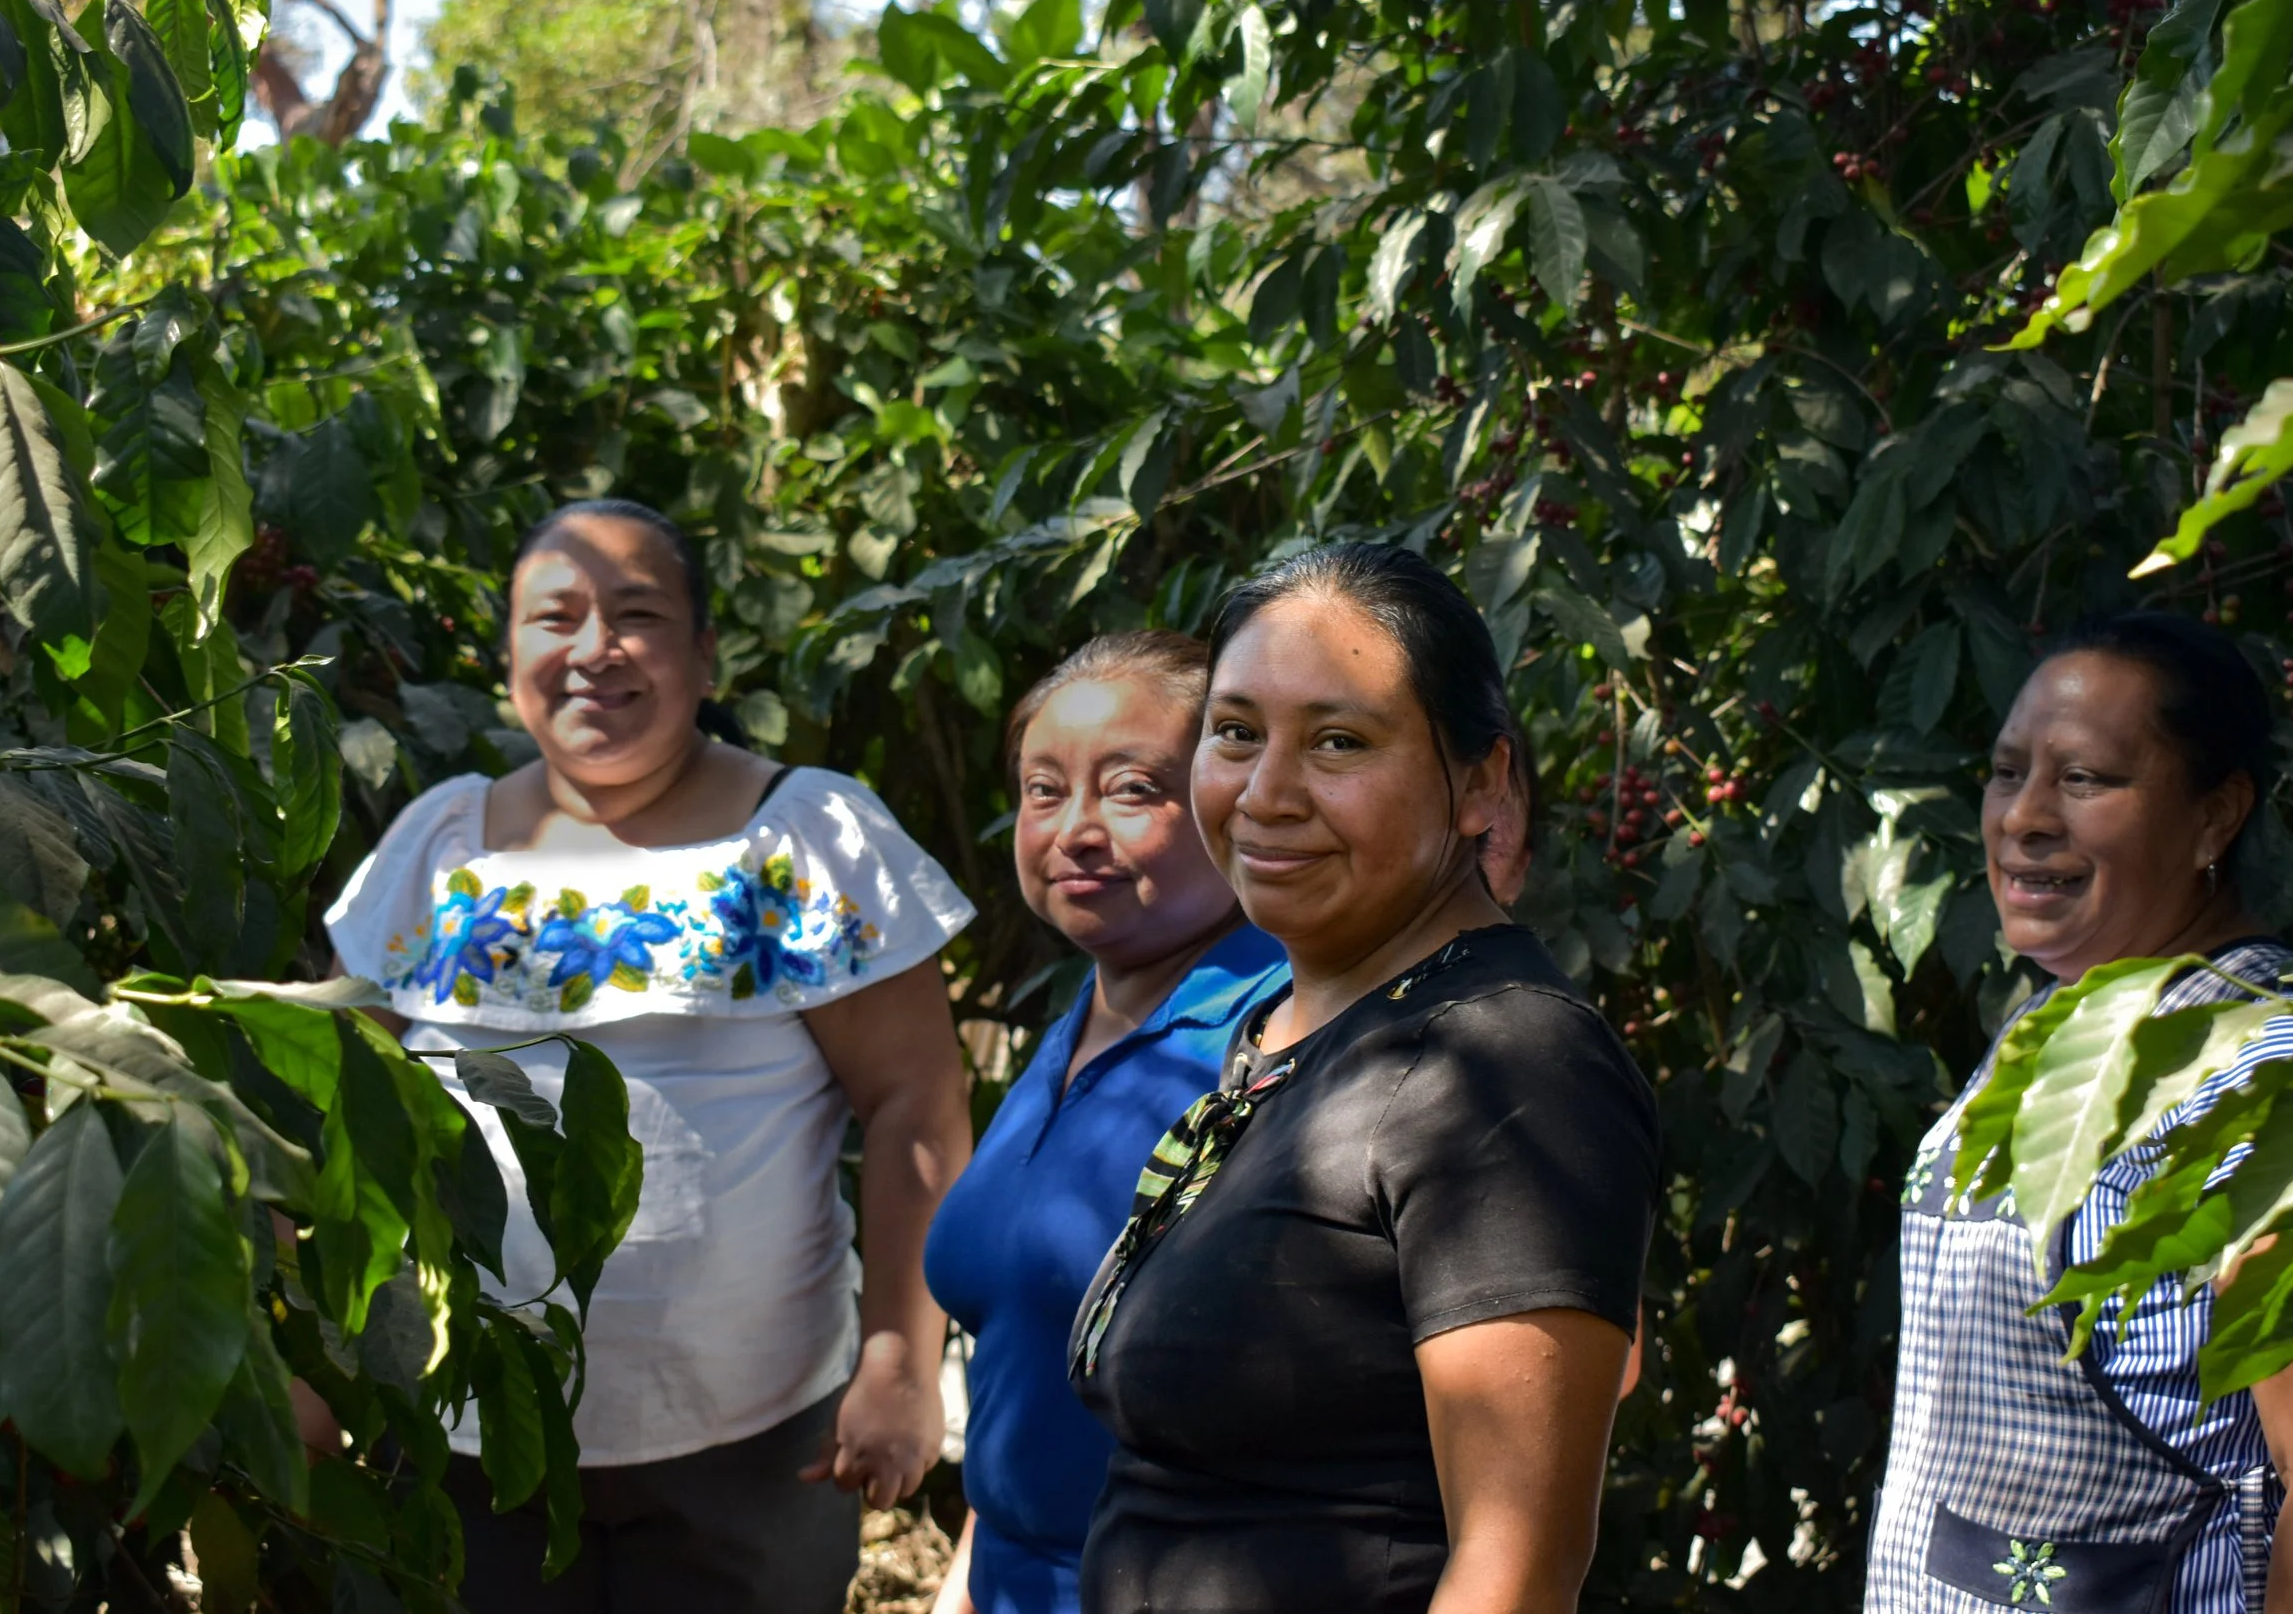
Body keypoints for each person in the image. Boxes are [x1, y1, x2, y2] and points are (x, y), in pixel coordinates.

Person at [323, 498, 976, 1613]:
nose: (593, 650)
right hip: (463, 1429)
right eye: (556, 616)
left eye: (637, 615)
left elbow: (915, 1099)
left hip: (752, 1443)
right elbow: (341, 1107)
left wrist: (900, 1361)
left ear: (705, 651)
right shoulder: (440, 841)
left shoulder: (801, 835)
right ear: (509, 654)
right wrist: (315, 1363)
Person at [1065, 542, 1662, 1614]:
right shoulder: (1290, 1022)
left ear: (1484, 781)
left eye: (1338, 741)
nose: (1265, 792)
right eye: (1236, 733)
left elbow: (1513, 1570)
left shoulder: (1506, 1066)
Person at [1867, 612, 2293, 1614]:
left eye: (2084, 780)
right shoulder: (2071, 1029)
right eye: (2006, 771)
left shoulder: (2276, 1079)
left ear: (2216, 816)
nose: (2023, 816)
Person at [923, 632, 1289, 1614]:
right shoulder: (1079, 1018)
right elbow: (1032, 1359)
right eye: (1044, 790)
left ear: (1229, 793)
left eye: (1131, 789)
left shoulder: (1288, 1029)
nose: (1074, 829)